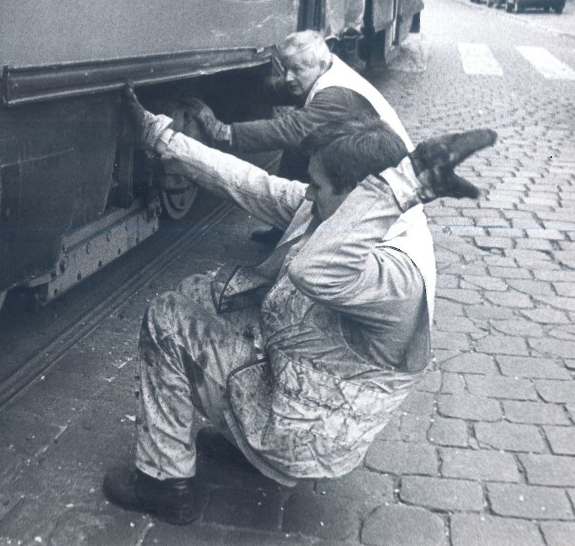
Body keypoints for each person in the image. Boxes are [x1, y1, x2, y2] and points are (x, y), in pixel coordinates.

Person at [102, 88, 496, 525]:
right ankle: (241, 441)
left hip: (310, 435)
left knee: (168, 318)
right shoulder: (339, 208)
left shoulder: (397, 277)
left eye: (317, 185)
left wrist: (403, 184)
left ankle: (164, 483)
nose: (306, 193)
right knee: (205, 294)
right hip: (310, 391)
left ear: (359, 194)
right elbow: (248, 183)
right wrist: (160, 137)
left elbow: (313, 271)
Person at [185, 30, 413, 245]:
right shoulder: (322, 72)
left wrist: (223, 131)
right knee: (298, 149)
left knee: (299, 144)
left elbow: (290, 129)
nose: (288, 77)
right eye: (285, 69)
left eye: (296, 70)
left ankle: (301, 234)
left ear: (321, 65)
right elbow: (274, 90)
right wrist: (220, 87)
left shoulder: (336, 94)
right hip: (369, 160)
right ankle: (284, 229)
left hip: (386, 183)